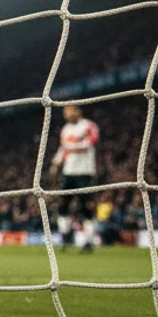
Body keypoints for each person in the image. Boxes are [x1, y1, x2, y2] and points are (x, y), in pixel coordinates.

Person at [51, 104, 100, 252]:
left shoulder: (89, 126)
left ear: (78, 111)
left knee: (86, 207)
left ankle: (89, 241)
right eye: (66, 112)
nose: (68, 114)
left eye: (70, 111)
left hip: (85, 172)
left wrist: (70, 145)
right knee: (62, 206)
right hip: (68, 172)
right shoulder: (66, 130)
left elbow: (89, 144)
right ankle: (65, 237)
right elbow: (63, 149)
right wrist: (56, 163)